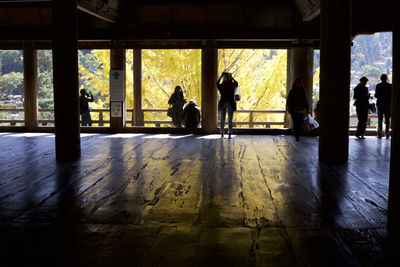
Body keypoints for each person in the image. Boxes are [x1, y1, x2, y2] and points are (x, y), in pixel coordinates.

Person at [217, 71, 239, 139]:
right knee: (229, 120)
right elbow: (236, 83)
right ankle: (229, 134)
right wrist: (231, 77)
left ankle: (222, 134)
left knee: (222, 119)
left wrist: (221, 76)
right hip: (230, 103)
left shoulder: (222, 86)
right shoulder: (232, 85)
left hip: (223, 103)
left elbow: (217, 84)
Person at [375, 74, 392, 138]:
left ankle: (379, 134)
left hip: (380, 104)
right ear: (386, 78)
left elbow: (376, 96)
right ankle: (387, 134)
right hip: (388, 105)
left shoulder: (378, 85)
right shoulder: (390, 86)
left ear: (381, 78)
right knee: (387, 120)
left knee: (380, 120)